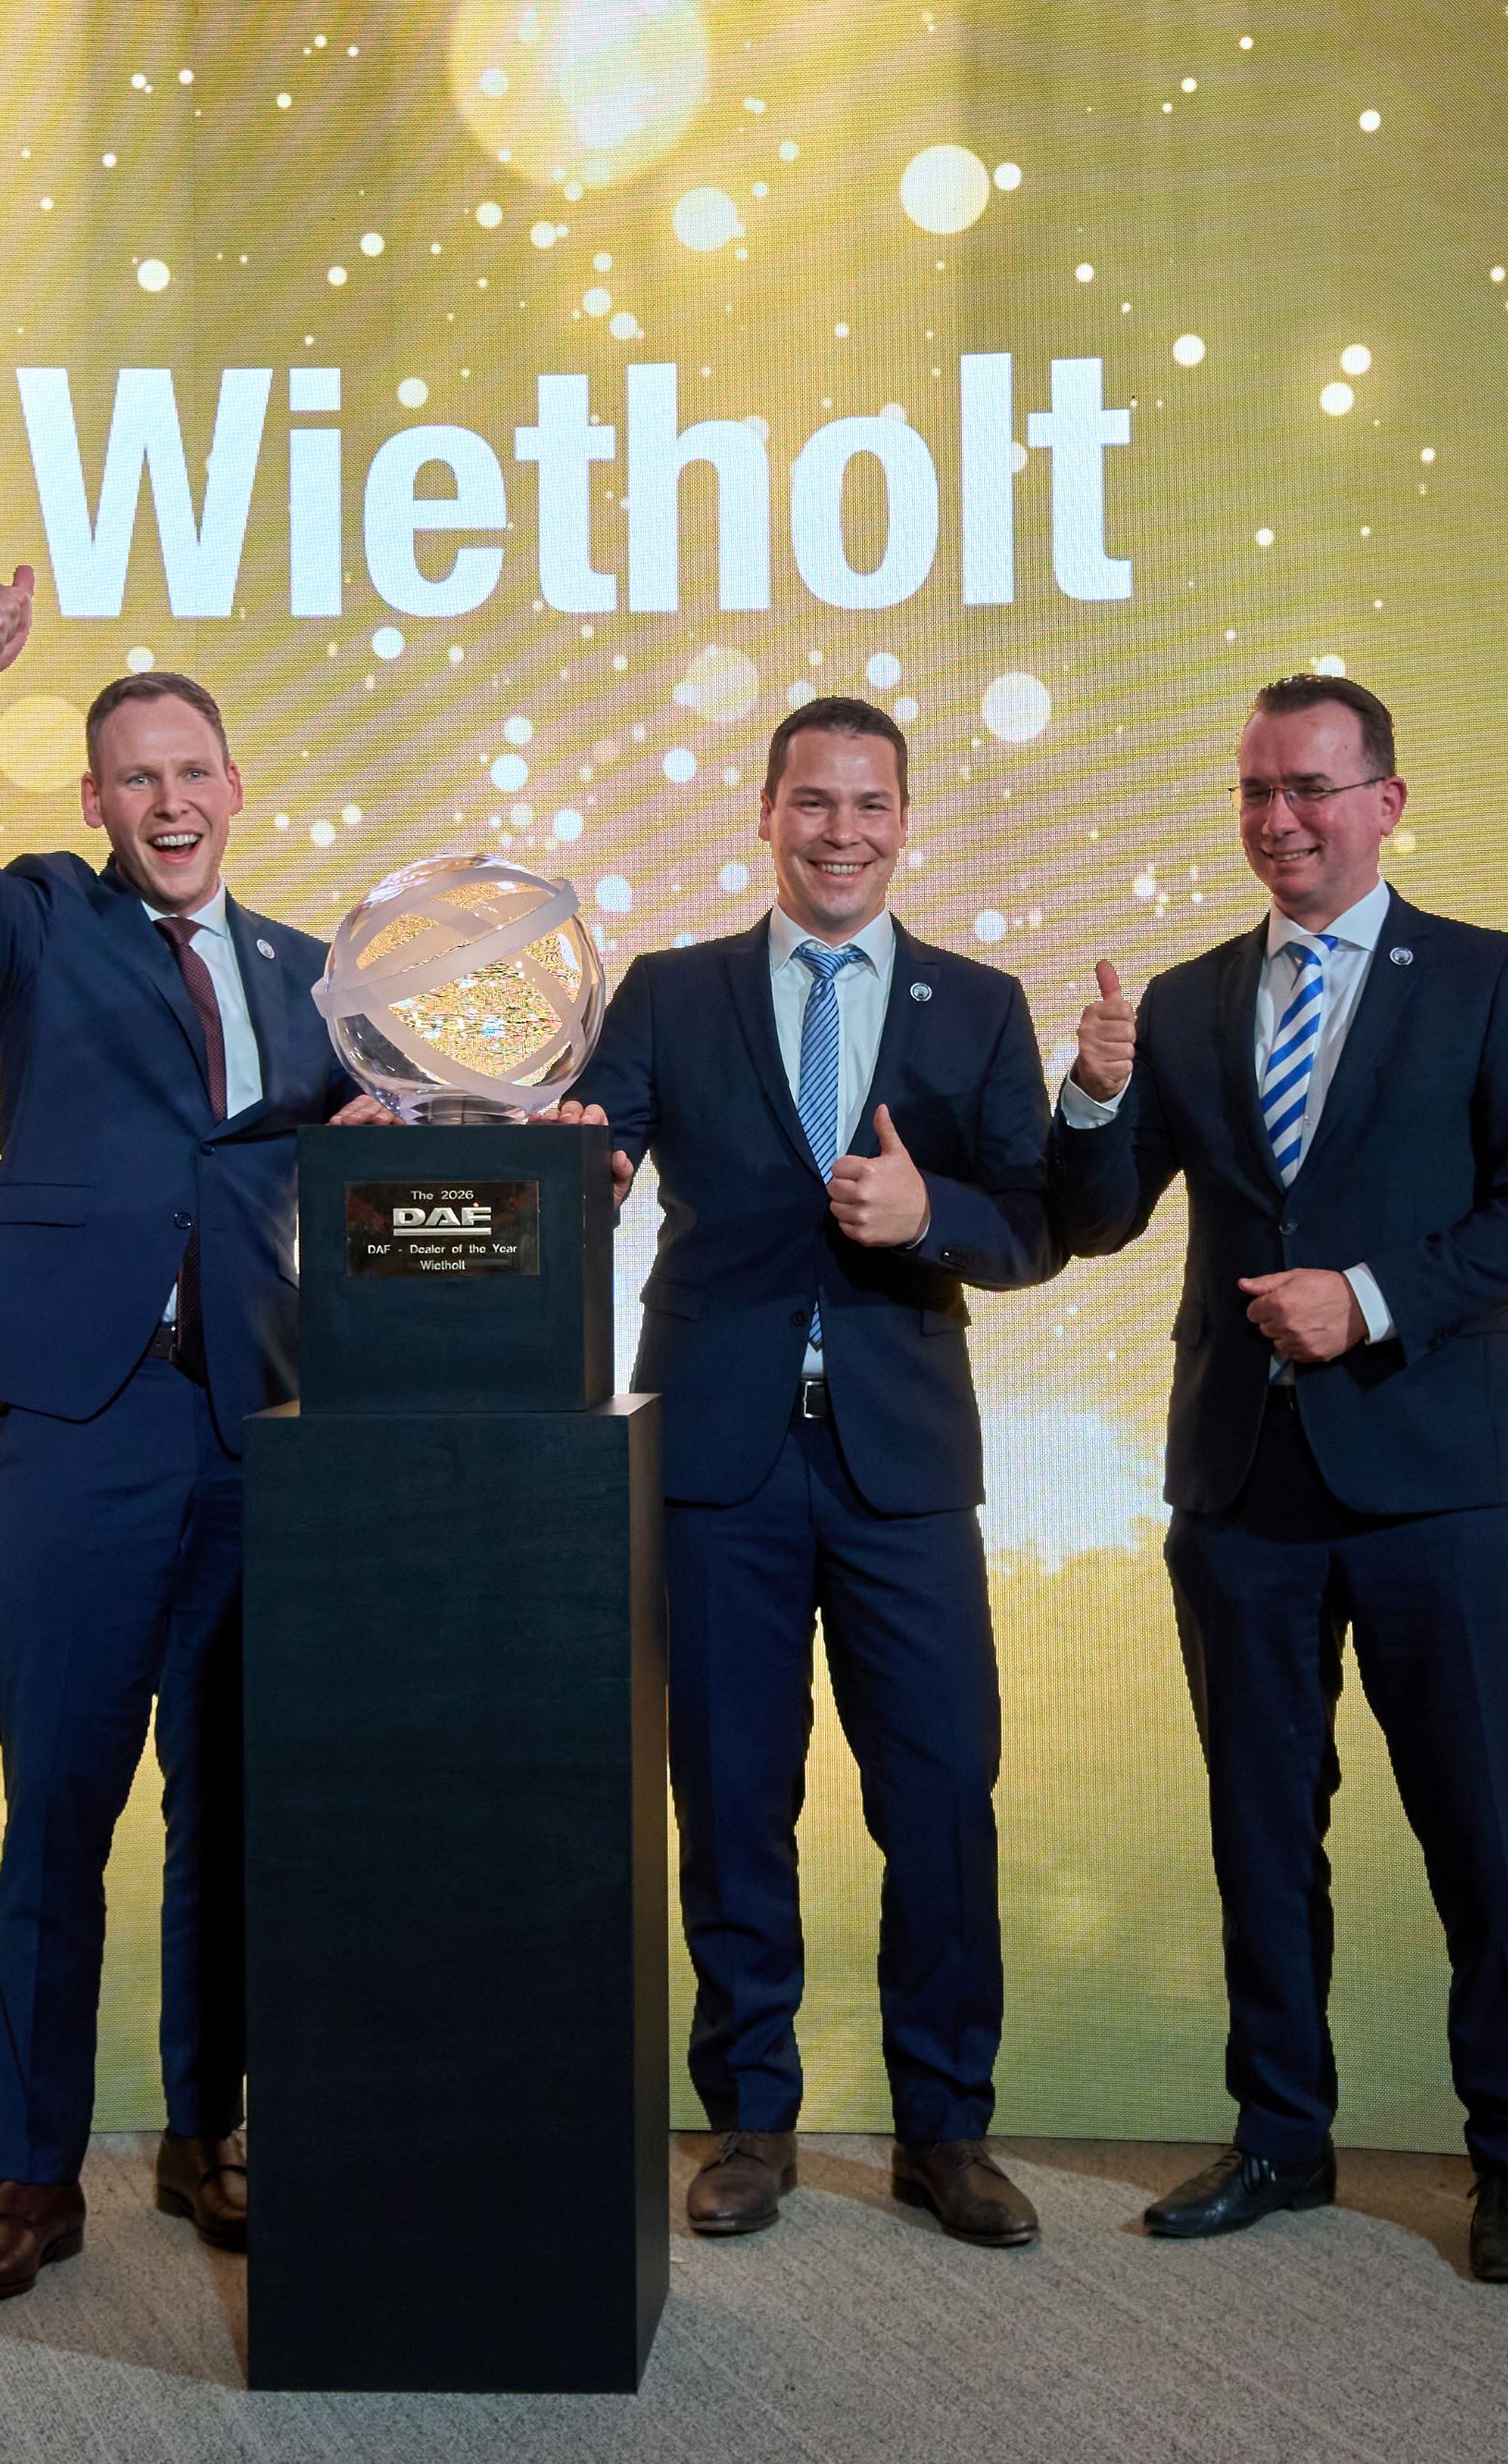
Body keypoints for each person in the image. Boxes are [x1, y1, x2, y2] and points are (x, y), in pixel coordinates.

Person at [1046, 673, 1508, 2280]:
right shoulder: (1189, 1001)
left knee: (1478, 1828)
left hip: (1436, 1480)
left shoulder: (1486, 977)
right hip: (1243, 1488)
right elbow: (1097, 1219)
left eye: (1310, 789)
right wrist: (1094, 1094)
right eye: (1256, 791)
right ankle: (1281, 2134)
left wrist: (1369, 1299)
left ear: (1386, 804)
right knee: (1262, 1829)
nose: (1278, 819)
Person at [0, 572, 360, 2303]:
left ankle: (205, 2133)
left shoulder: (316, 976)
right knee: (60, 1806)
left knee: (232, 1809)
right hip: (84, 1422)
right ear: (95, 800)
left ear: (237, 788)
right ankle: (34, 2178)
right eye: (136, 778)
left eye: (193, 773)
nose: (169, 802)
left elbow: (381, 1142)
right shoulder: (39, 918)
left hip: (255, 1430)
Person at [571, 696, 1055, 2249]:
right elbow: (598, 1155)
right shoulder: (671, 990)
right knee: (731, 1799)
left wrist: (931, 1218)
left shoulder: (980, 1006)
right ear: (767, 811)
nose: (843, 832)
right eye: (815, 802)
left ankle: (945, 2130)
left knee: (942, 1796)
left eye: (871, 804)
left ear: (906, 819)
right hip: (719, 1465)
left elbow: (1032, 1226)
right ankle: (751, 2121)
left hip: (903, 1470)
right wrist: (573, 1159)